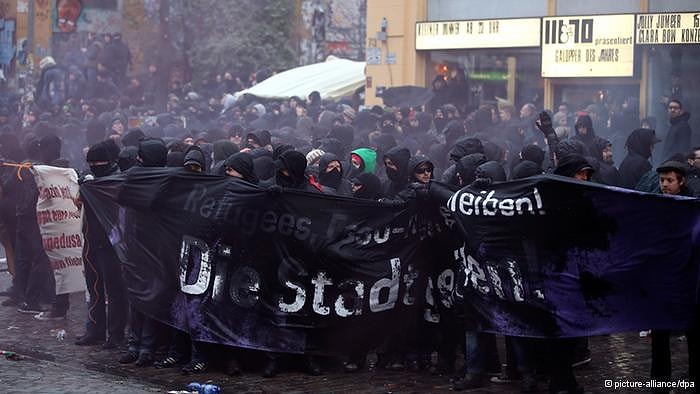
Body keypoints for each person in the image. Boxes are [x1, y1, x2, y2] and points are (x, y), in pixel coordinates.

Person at [75, 140, 127, 347]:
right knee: (94, 287)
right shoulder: (91, 182)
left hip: (112, 243)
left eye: (98, 163)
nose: (94, 167)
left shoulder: (117, 181)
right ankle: (95, 330)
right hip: (92, 241)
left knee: (115, 291)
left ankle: (115, 334)